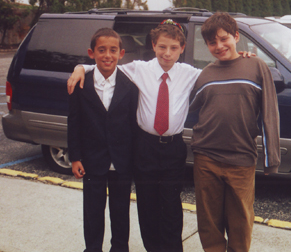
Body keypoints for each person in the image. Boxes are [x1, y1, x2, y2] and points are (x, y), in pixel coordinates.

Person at [68, 19, 201, 252]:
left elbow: (218, 74)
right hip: (145, 147)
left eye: (173, 48)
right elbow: (107, 66)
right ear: (153, 45)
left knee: (170, 206)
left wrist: (241, 58)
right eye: (162, 47)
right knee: (146, 207)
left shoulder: (191, 74)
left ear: (182, 48)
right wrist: (81, 67)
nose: (167, 53)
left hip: (173, 149)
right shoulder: (139, 68)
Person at [189, 12, 281, 252]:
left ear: (236, 36)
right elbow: (188, 109)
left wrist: (271, 160)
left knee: (241, 223)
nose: (219, 46)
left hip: (241, 160)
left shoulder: (256, 66)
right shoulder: (206, 74)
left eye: (224, 39)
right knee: (209, 223)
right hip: (206, 158)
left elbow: (269, 114)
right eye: (212, 43)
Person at [67, 28, 139, 252]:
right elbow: (74, 122)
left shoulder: (131, 85)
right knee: (93, 210)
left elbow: (133, 126)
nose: (107, 55)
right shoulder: (80, 84)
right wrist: (75, 157)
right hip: (91, 160)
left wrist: (134, 160)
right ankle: (92, 248)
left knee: (120, 210)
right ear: (91, 53)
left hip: (121, 160)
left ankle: (120, 248)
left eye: (113, 50)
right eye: (101, 50)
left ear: (121, 53)